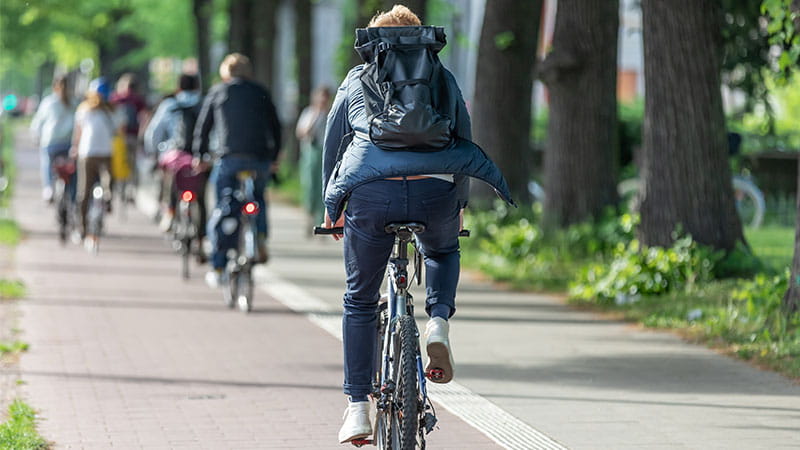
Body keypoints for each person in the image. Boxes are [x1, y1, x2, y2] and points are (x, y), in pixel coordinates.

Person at [320, 5, 513, 444]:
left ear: (375, 42)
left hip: (371, 189)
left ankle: (357, 408)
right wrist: (458, 200)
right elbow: (462, 134)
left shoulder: (358, 77)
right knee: (443, 249)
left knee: (359, 300)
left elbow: (334, 142)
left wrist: (331, 207)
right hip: (435, 189)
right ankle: (438, 322)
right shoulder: (441, 76)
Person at [193, 53, 282, 287]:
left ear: (225, 72)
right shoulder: (260, 91)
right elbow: (275, 125)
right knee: (258, 197)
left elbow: (203, 127)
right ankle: (260, 237)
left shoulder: (218, 92)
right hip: (259, 159)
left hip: (229, 159)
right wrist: (273, 157)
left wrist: (199, 155)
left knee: (225, 205)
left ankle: (219, 264)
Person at [144, 74, 207, 239]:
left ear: (178, 87)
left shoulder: (169, 105)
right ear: (197, 87)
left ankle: (170, 212)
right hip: (198, 157)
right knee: (200, 195)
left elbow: (154, 132)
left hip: (174, 154)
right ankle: (200, 239)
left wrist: (154, 153)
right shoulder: (204, 103)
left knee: (171, 183)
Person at [71, 77, 126, 246]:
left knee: (84, 192)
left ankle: (82, 228)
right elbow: (121, 132)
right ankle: (104, 207)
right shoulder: (112, 112)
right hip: (104, 154)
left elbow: (78, 133)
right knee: (103, 186)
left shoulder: (85, 110)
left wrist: (74, 148)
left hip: (88, 154)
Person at [30, 75, 76, 202]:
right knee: (73, 169)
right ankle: (73, 194)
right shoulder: (74, 102)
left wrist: (36, 136)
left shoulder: (48, 102)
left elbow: (38, 122)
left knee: (47, 162)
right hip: (69, 143)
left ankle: (48, 188)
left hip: (51, 142)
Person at [296, 86, 332, 229]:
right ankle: (309, 217)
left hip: (326, 153)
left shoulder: (332, 114)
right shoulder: (309, 112)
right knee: (310, 186)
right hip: (311, 152)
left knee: (323, 189)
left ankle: (321, 221)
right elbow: (302, 133)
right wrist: (316, 115)